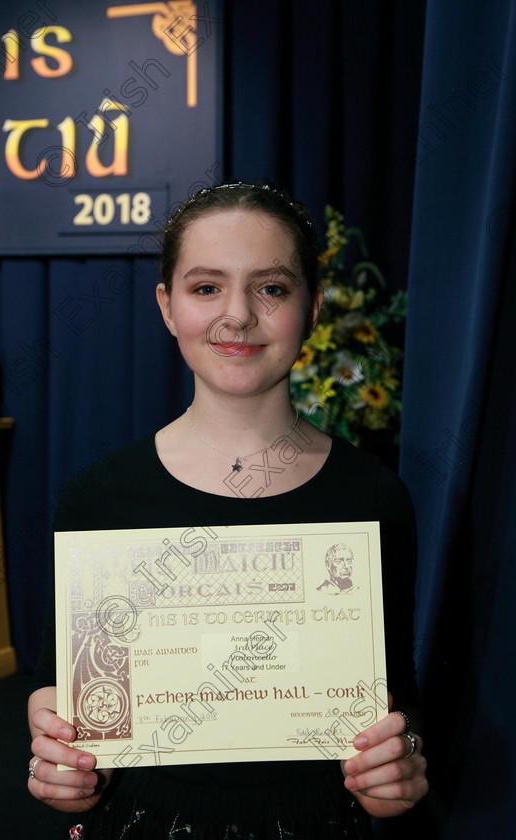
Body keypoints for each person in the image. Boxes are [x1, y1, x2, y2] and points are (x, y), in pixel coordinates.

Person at [28, 182, 428, 839]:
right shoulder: (98, 495)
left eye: (271, 288)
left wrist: (398, 759)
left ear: (313, 304)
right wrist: (61, 760)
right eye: (207, 287)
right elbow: (56, 687)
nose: (237, 316)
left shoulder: (373, 496)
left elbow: (398, 694)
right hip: (143, 820)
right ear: (167, 305)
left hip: (325, 821)